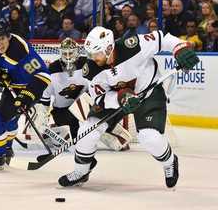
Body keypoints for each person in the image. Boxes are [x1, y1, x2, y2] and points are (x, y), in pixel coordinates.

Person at [57, 26, 199, 189]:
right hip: (117, 98)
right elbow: (100, 97)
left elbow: (163, 39)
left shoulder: (133, 45)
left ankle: (170, 162)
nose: (92, 57)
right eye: (89, 53)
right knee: (86, 132)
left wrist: (181, 48)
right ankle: (81, 172)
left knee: (148, 136)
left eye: (96, 52)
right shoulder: (91, 69)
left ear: (109, 48)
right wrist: (120, 97)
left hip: (149, 92)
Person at [0, 20, 51, 170]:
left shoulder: (20, 50)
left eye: (2, 39)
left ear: (9, 36)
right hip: (13, 85)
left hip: (30, 88)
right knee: (9, 120)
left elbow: (44, 76)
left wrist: (26, 96)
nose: (0, 44)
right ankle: (7, 149)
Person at [39, 38, 131, 151]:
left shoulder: (88, 65)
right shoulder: (52, 70)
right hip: (62, 111)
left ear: (77, 51)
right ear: (60, 53)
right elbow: (44, 98)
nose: (68, 56)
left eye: (71, 52)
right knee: (74, 139)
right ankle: (57, 128)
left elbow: (100, 86)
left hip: (85, 104)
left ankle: (111, 132)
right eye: (64, 53)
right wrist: (41, 115)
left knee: (93, 111)